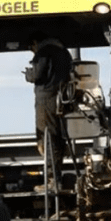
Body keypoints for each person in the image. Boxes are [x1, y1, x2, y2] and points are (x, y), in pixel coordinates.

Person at [25, 34, 73, 187]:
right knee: (57, 138)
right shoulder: (65, 52)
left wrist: (28, 74)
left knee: (47, 137)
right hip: (60, 99)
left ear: (35, 42)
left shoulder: (43, 52)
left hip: (45, 100)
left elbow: (37, 75)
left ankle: (52, 180)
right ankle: (56, 176)